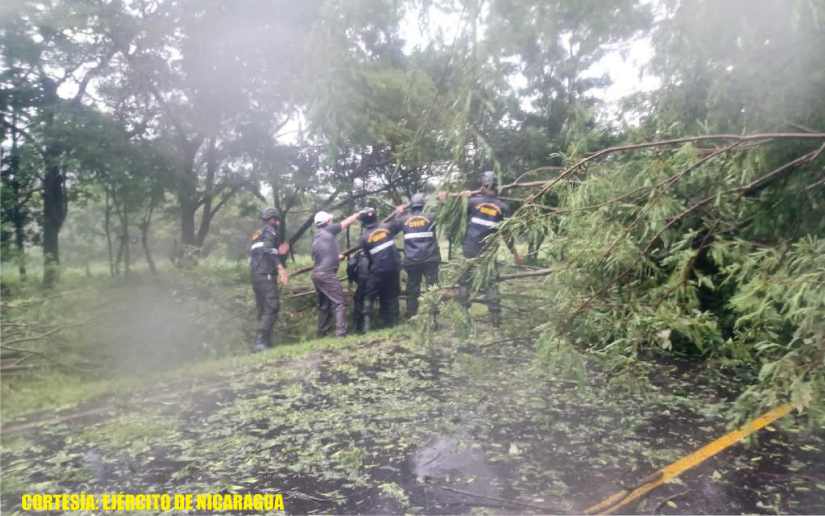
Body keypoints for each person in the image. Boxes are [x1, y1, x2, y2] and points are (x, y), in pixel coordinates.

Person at [438, 170, 522, 327]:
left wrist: (450, 199)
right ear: (496, 187)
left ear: (483, 185)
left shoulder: (473, 202)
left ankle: (463, 315)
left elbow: (453, 212)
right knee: (490, 283)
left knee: (465, 282)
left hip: (469, 248)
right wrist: (515, 253)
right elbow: (506, 234)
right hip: (488, 251)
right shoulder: (502, 207)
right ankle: (495, 318)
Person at [311, 210, 361, 337]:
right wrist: (357, 215)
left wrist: (337, 257)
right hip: (327, 274)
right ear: (327, 221)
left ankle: (321, 334)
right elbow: (345, 223)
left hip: (317, 274)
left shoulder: (317, 238)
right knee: (339, 302)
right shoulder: (328, 229)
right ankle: (341, 334)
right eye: (330, 220)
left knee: (324, 305)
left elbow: (321, 257)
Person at [392, 193, 441, 317]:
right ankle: (433, 314)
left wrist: (398, 212)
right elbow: (444, 214)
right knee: (432, 287)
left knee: (413, 288)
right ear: (423, 205)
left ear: (411, 206)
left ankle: (412, 314)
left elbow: (391, 228)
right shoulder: (431, 217)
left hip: (412, 260)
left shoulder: (404, 220)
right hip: (431, 259)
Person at [249, 208, 289, 352]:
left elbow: (260, 253)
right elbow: (268, 250)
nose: (278, 222)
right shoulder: (270, 231)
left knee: (263, 308)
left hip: (255, 275)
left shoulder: (257, 234)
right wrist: (280, 268)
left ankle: (265, 342)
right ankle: (260, 342)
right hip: (265, 274)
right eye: (276, 219)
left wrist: (279, 252)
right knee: (272, 306)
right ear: (272, 219)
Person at [358, 207, 402, 329]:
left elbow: (369, 258)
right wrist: (399, 211)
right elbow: (399, 223)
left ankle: (366, 327)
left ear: (363, 222)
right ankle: (393, 324)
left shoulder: (363, 239)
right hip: (394, 268)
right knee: (391, 296)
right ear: (375, 217)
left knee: (369, 295)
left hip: (378, 271)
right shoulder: (388, 227)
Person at [347, 247, 374, 333]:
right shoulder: (376, 251)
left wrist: (352, 279)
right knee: (369, 299)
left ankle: (357, 328)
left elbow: (350, 267)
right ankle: (367, 327)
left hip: (362, 279)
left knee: (359, 300)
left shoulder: (358, 254)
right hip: (376, 279)